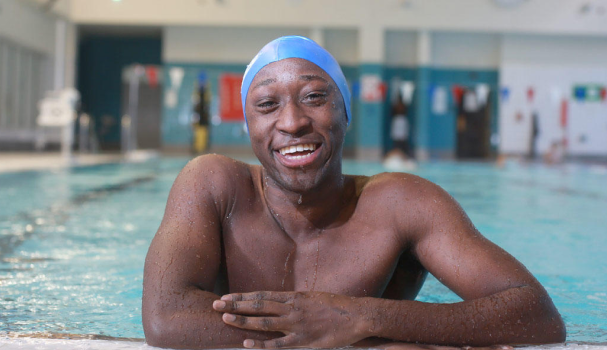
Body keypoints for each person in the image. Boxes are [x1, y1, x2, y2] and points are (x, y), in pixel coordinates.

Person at [142, 36, 565, 350]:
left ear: (345, 112)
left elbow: (538, 316)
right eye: (267, 105)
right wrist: (364, 339)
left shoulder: (402, 204)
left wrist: (361, 315)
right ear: (248, 127)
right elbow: (166, 318)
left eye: (313, 97)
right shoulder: (213, 184)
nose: (291, 121)